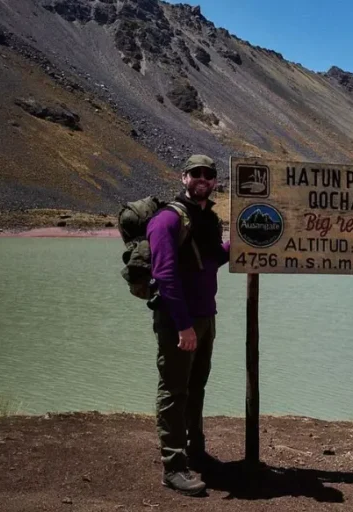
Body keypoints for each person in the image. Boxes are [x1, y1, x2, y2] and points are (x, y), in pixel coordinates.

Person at [146, 154, 230, 496]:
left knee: (197, 387)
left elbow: (211, 260)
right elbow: (164, 276)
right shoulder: (167, 220)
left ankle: (196, 451)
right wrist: (183, 326)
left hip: (205, 317)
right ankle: (174, 467)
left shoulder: (207, 218)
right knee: (174, 391)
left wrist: (241, 241)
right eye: (196, 173)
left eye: (208, 175)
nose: (203, 179)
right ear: (183, 178)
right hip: (179, 322)